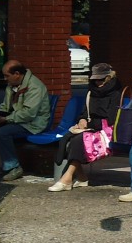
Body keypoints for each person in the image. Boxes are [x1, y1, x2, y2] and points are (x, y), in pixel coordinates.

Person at [49, 62, 122, 192]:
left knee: (78, 141)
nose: (97, 82)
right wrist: (82, 119)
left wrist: (89, 124)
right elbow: (84, 112)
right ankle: (82, 177)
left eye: (100, 79)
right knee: (68, 137)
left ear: (108, 77)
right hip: (91, 127)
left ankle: (67, 178)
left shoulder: (116, 93)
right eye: (95, 80)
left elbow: (111, 119)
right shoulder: (91, 92)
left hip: (107, 130)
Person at [0, 59, 51, 181]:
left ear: (17, 74)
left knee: (3, 132)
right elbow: (5, 106)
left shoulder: (35, 87)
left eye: (7, 76)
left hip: (32, 124)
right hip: (14, 119)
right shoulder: (12, 85)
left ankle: (13, 167)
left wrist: (4, 119)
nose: (5, 79)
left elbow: (28, 114)